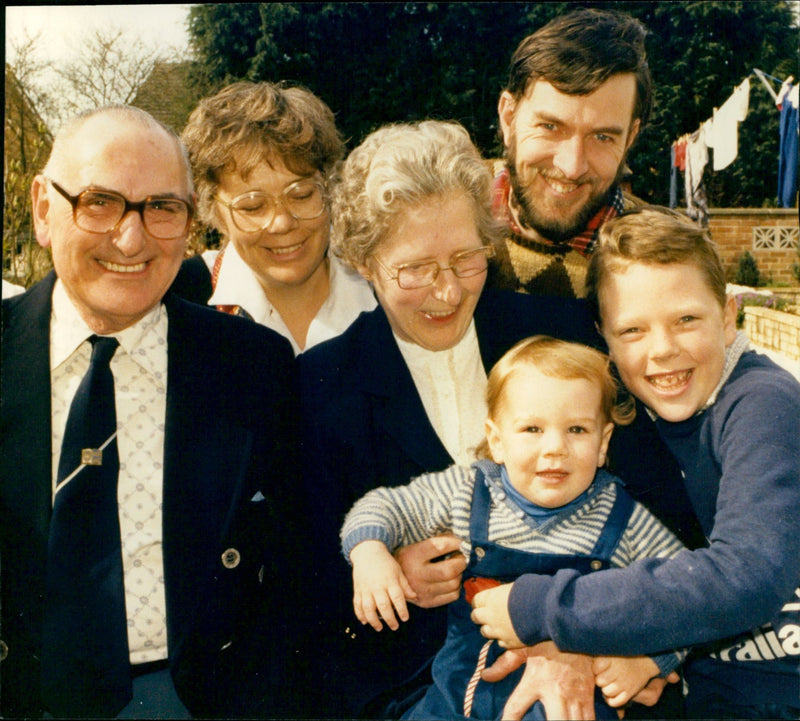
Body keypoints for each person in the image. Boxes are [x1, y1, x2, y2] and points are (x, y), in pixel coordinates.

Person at [298, 121, 692, 719]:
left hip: (595, 669)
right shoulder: (321, 386)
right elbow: (298, 579)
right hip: (416, 686)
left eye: (465, 258)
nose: (447, 291)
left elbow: (661, 520)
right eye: (416, 269)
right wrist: (388, 573)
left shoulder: (559, 332)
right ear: (362, 261)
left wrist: (582, 639)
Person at [0, 105, 308, 718]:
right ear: (42, 208)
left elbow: (300, 570)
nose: (132, 238)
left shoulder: (255, 368)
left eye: (162, 207)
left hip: (194, 699)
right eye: (100, 201)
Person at [471, 207, 800, 719]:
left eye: (687, 320)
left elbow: (750, 574)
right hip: (716, 684)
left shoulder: (762, 402)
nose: (663, 350)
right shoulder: (630, 415)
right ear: (603, 335)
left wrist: (547, 608)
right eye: (633, 331)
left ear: (731, 314)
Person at [342, 336, 687, 720]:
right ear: (496, 440)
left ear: (603, 443)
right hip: (460, 696)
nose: (555, 447)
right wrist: (370, 552)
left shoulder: (625, 521)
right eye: (532, 429)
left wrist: (648, 661)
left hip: (569, 705)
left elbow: (693, 596)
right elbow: (383, 505)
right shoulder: (467, 491)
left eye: (576, 430)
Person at [171, 81, 376, 354]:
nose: (282, 223)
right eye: (253, 206)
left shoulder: (383, 289)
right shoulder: (176, 299)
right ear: (213, 210)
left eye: (301, 195)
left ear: (329, 188)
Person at [488, 8, 648, 298]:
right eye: (550, 126)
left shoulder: (667, 255)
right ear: (509, 118)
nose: (572, 167)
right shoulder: (447, 239)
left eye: (602, 137)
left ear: (630, 138)